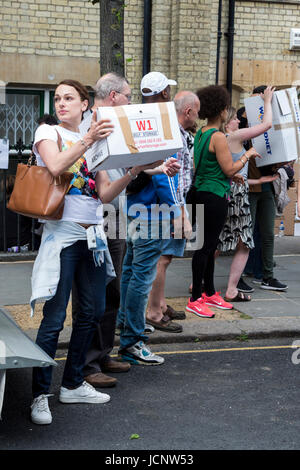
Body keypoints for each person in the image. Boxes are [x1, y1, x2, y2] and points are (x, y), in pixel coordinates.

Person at [29, 79, 163, 425]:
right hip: (62, 238)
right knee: (54, 319)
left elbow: (103, 194)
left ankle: (72, 383)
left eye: (69, 98)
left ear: (85, 104)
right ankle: (39, 394)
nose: (62, 103)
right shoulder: (49, 133)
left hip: (93, 239)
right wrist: (89, 138)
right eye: (58, 98)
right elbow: (56, 167)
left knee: (91, 312)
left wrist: (133, 171)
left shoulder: (94, 144)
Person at [117, 71, 186, 365]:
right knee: (141, 278)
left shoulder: (135, 121)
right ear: (165, 94)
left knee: (131, 274)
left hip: (134, 208)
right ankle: (133, 341)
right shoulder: (160, 123)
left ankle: (125, 325)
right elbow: (163, 175)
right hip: (154, 213)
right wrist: (177, 211)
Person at [71, 73, 132, 389]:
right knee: (90, 293)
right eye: (128, 95)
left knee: (112, 290)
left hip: (115, 215)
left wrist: (155, 166)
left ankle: (102, 353)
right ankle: (86, 362)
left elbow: (123, 166)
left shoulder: (115, 126)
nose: (131, 101)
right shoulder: (88, 127)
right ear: (113, 96)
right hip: (94, 219)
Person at [186, 85, 254, 318]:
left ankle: (210, 293)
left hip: (201, 192)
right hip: (215, 195)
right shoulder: (219, 137)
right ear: (222, 110)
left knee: (209, 245)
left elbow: (201, 166)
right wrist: (247, 155)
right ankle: (195, 299)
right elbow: (228, 168)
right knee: (205, 248)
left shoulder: (202, 133)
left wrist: (227, 172)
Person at [146, 91, 200, 332]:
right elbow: (170, 178)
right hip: (170, 205)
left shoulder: (177, 132)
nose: (198, 115)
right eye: (197, 111)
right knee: (162, 259)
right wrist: (180, 212)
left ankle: (161, 303)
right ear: (187, 111)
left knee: (164, 259)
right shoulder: (172, 134)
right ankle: (154, 312)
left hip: (174, 203)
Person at [217, 86, 276, 302]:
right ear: (227, 122)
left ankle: (199, 282)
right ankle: (232, 288)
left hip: (230, 190)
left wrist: (258, 180)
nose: (238, 122)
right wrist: (266, 102)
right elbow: (266, 125)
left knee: (218, 241)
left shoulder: (216, 137)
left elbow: (230, 173)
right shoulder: (232, 137)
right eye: (234, 119)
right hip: (237, 198)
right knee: (244, 242)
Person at [239, 85, 288, 292]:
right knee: (245, 234)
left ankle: (267, 275)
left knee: (268, 233)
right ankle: (238, 276)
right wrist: (259, 103)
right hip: (249, 186)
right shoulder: (243, 117)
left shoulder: (271, 117)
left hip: (266, 185)